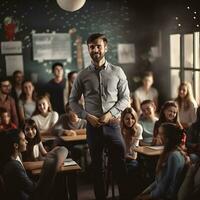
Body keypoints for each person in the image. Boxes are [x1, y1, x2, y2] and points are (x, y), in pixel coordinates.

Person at [69, 33, 130, 200]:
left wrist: (111, 113)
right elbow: (72, 101)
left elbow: (126, 98)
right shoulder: (82, 75)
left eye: (98, 46)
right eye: (91, 47)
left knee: (120, 167)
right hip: (92, 127)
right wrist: (86, 116)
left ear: (105, 48)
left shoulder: (118, 72)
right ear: (88, 49)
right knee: (97, 169)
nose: (95, 49)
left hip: (113, 126)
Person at [0, 129, 68, 200]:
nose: (26, 141)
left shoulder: (16, 156)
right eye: (23, 140)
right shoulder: (13, 166)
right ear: (16, 145)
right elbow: (33, 190)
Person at [136, 123, 189, 200]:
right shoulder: (170, 153)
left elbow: (164, 187)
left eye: (160, 134)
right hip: (160, 193)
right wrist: (144, 192)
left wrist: (146, 197)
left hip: (166, 196)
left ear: (168, 138)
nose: (157, 136)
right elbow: (159, 181)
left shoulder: (173, 156)